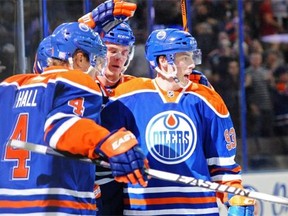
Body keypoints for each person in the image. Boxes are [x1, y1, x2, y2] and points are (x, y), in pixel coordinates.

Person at [100, 28, 255, 215]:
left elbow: (222, 166)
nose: (192, 65)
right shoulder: (126, 97)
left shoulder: (207, 99)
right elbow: (101, 148)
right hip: (143, 209)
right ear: (163, 61)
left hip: (198, 210)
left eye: (192, 57)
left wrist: (233, 196)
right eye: (185, 58)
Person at [0, 22, 148, 215]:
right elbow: (62, 127)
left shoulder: (10, 85)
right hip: (57, 204)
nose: (97, 70)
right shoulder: (75, 80)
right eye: (96, 61)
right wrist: (108, 141)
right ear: (79, 59)